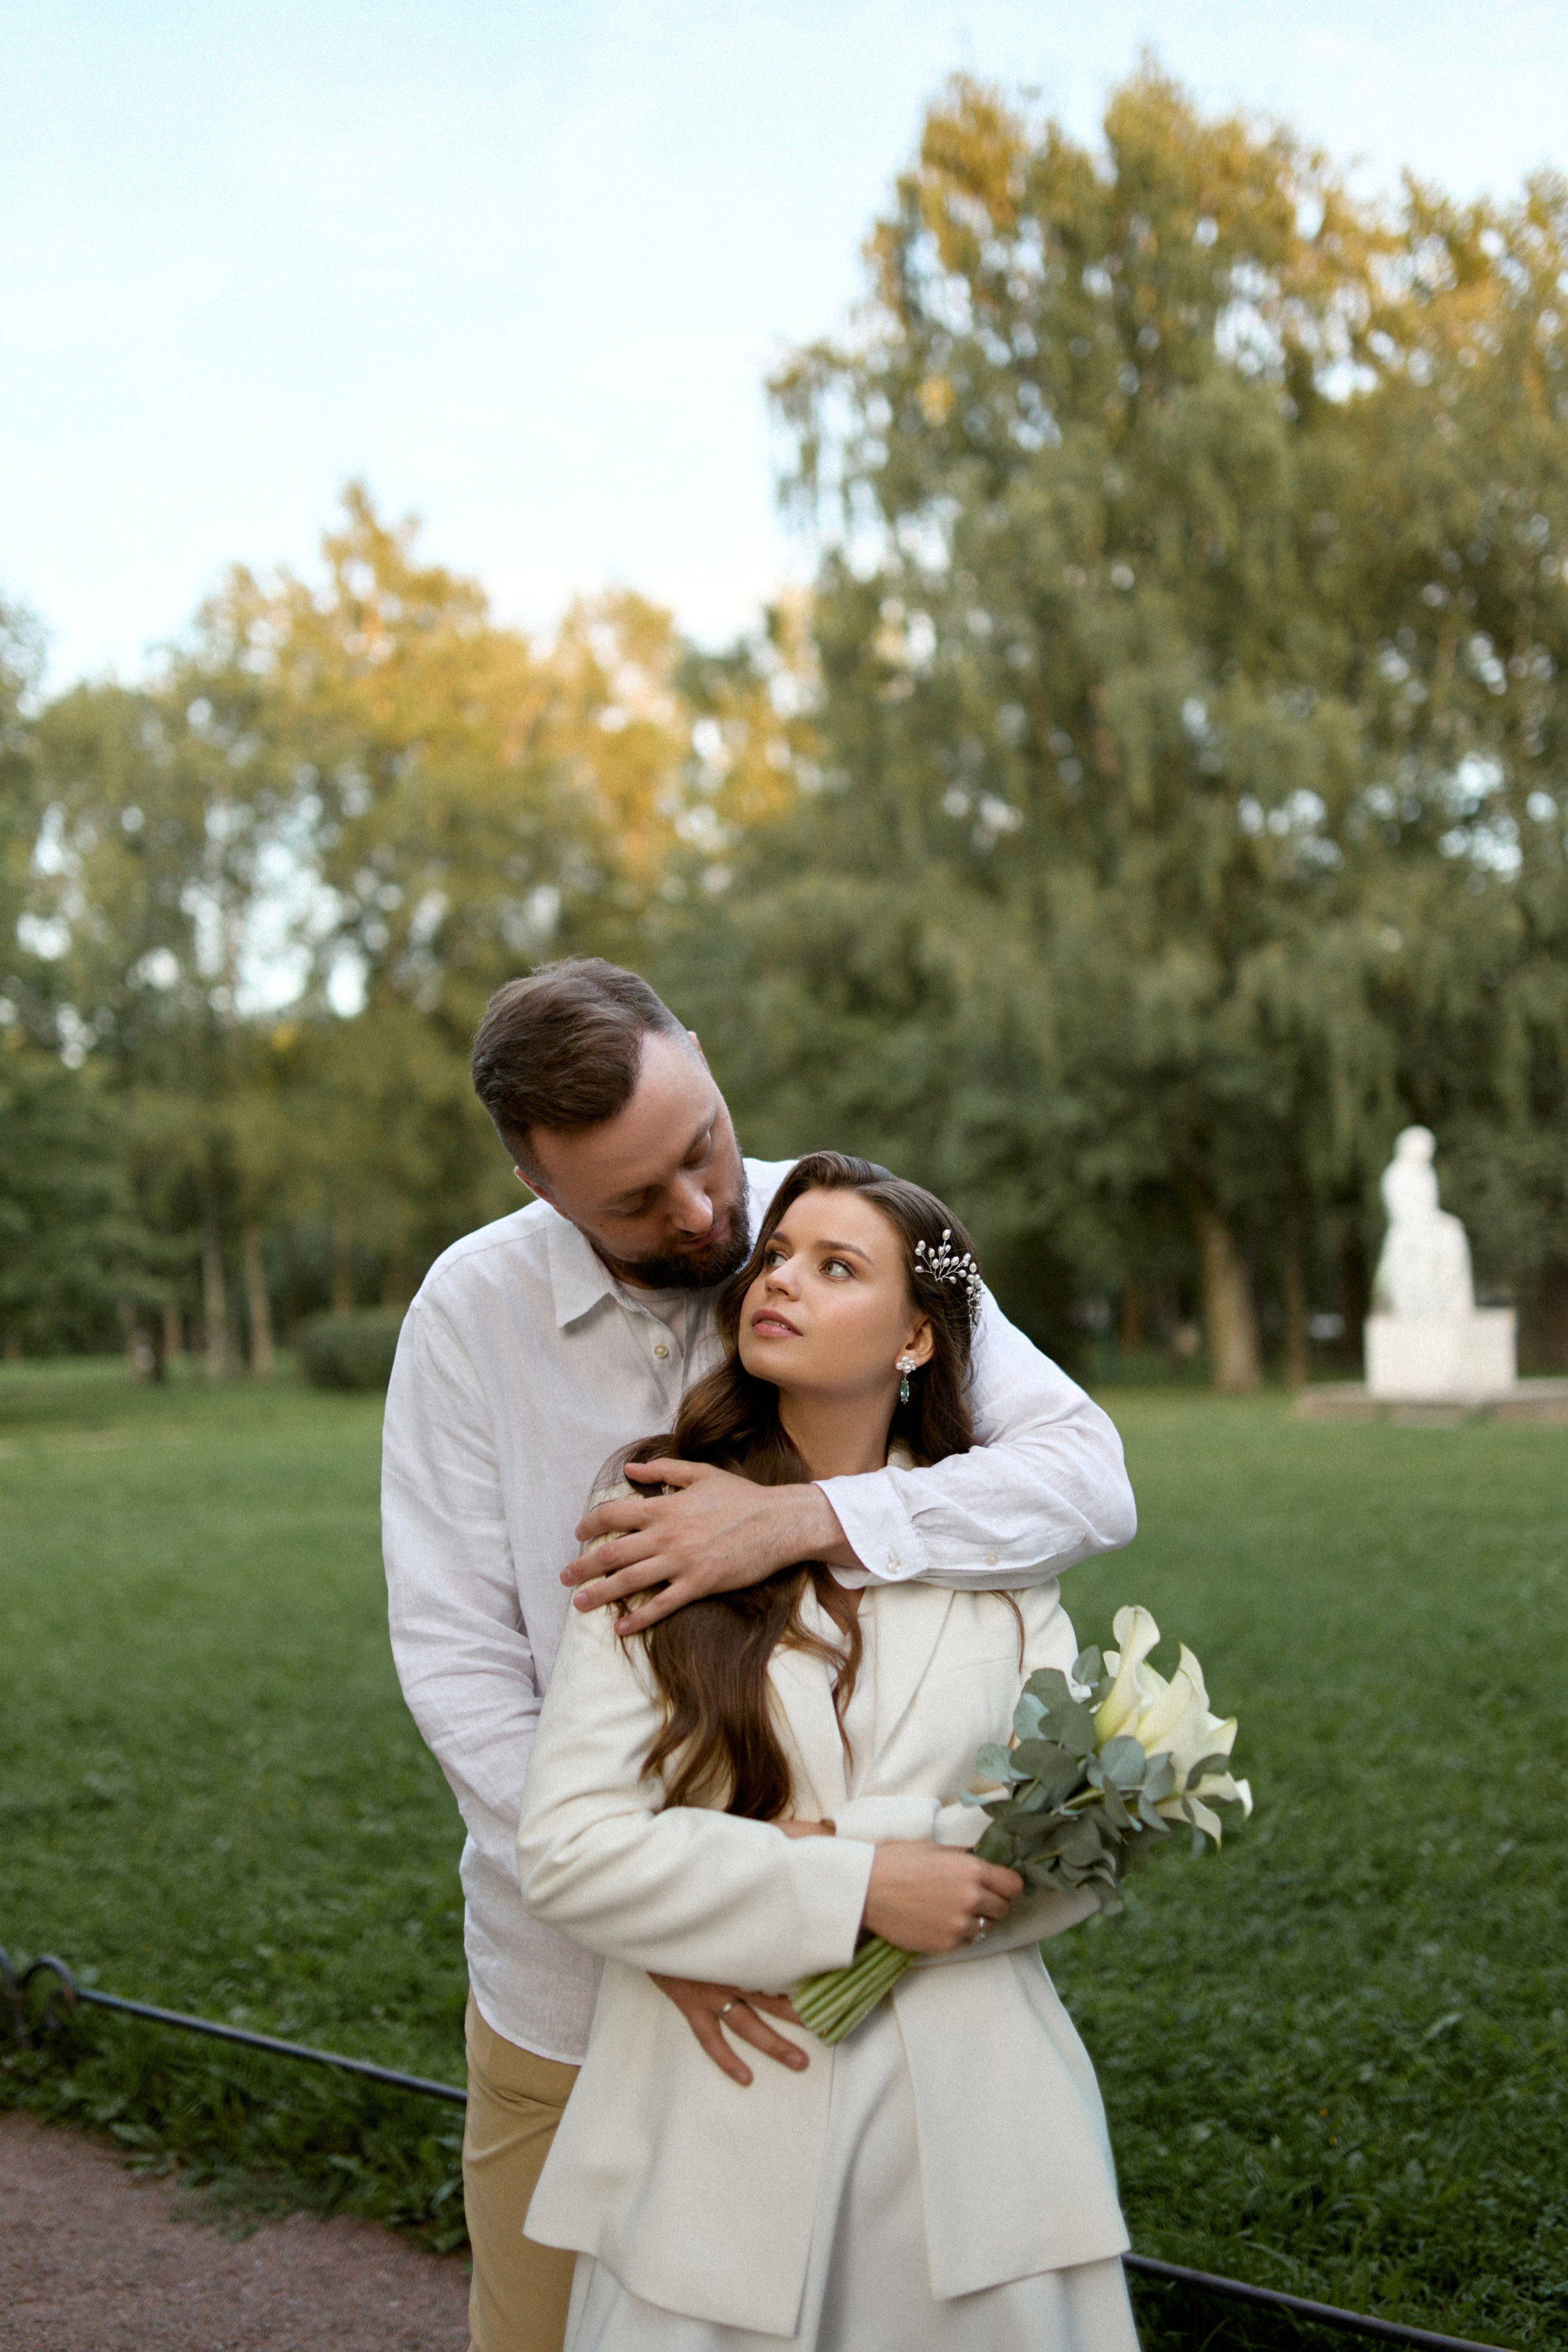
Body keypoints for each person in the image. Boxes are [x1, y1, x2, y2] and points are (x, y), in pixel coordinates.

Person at [382, 959, 1136, 2352]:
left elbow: (1088, 1475)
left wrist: (790, 1522)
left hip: (899, 2036)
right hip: (572, 1981)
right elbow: (455, 1661)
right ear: (542, 1193)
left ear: (706, 1061)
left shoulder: (889, 1226)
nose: (706, 1213)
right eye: (631, 1200)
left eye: (703, 1146)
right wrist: (660, 1922)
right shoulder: (463, 1312)